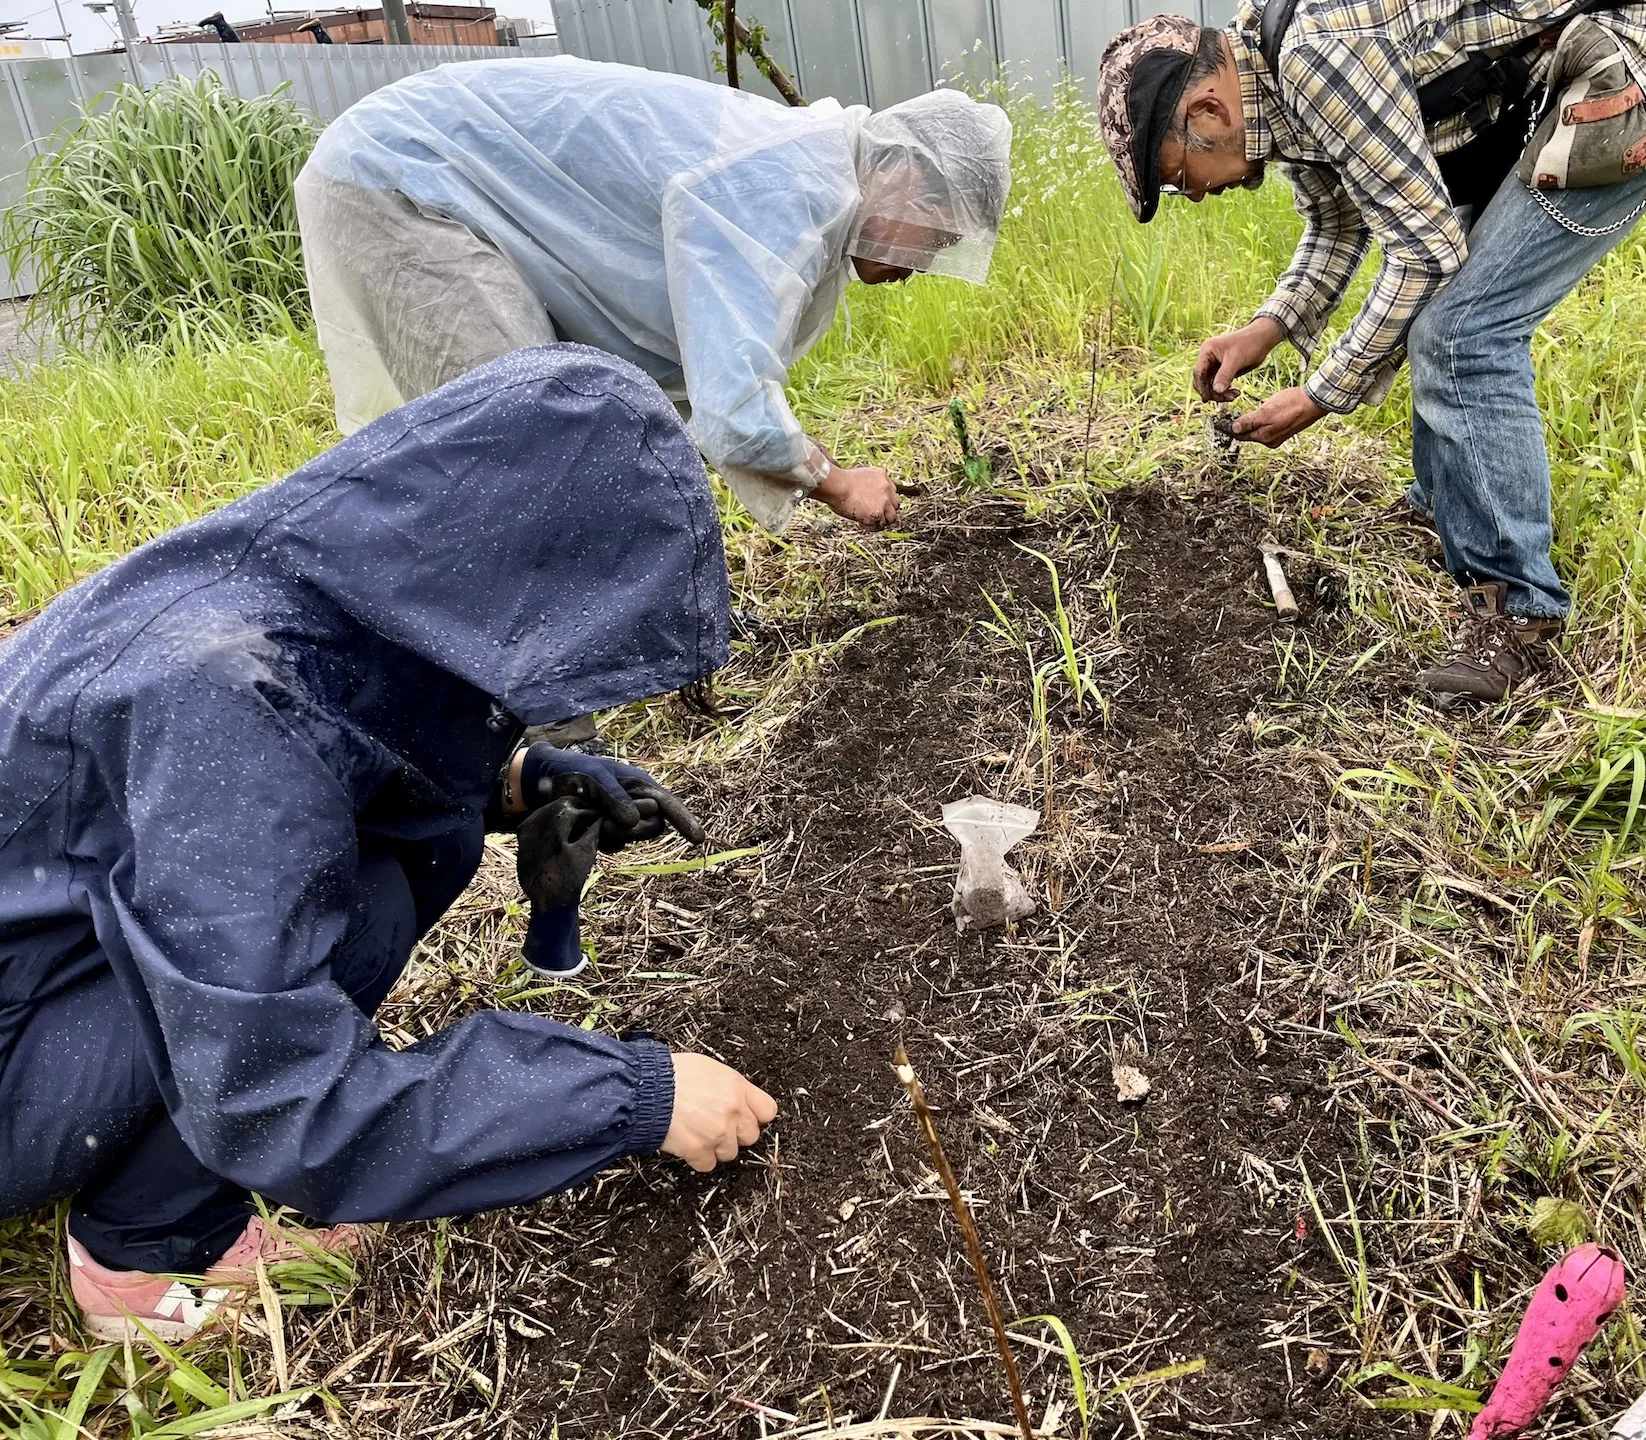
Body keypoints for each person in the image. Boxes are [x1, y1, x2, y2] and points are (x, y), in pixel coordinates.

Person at [0, 347, 777, 1343]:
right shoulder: (222, 694)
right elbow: (278, 1094)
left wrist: (522, 778)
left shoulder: (295, 575)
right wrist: (631, 1097)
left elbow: (344, 729)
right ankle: (145, 1264)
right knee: (361, 903)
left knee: (410, 849)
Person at [1096, 0, 1646, 703]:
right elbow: (1338, 219)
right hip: (1589, 52)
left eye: (1174, 178)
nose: (1191, 197)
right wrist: (1267, 328)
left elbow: (1424, 252)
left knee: (1461, 331)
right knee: (1442, 308)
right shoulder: (1267, 74)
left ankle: (1519, 616)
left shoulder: (1315, 59)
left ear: (1205, 112)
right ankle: (1450, 503)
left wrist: (1321, 394)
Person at [295, 60, 1013, 534]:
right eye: (937, 238)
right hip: (408, 180)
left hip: (429, 175)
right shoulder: (792, 188)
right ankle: (546, 745)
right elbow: (733, 416)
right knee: (524, 457)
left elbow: (677, 388)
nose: (921, 266)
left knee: (565, 440)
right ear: (910, 178)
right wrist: (839, 483)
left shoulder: (813, 175)